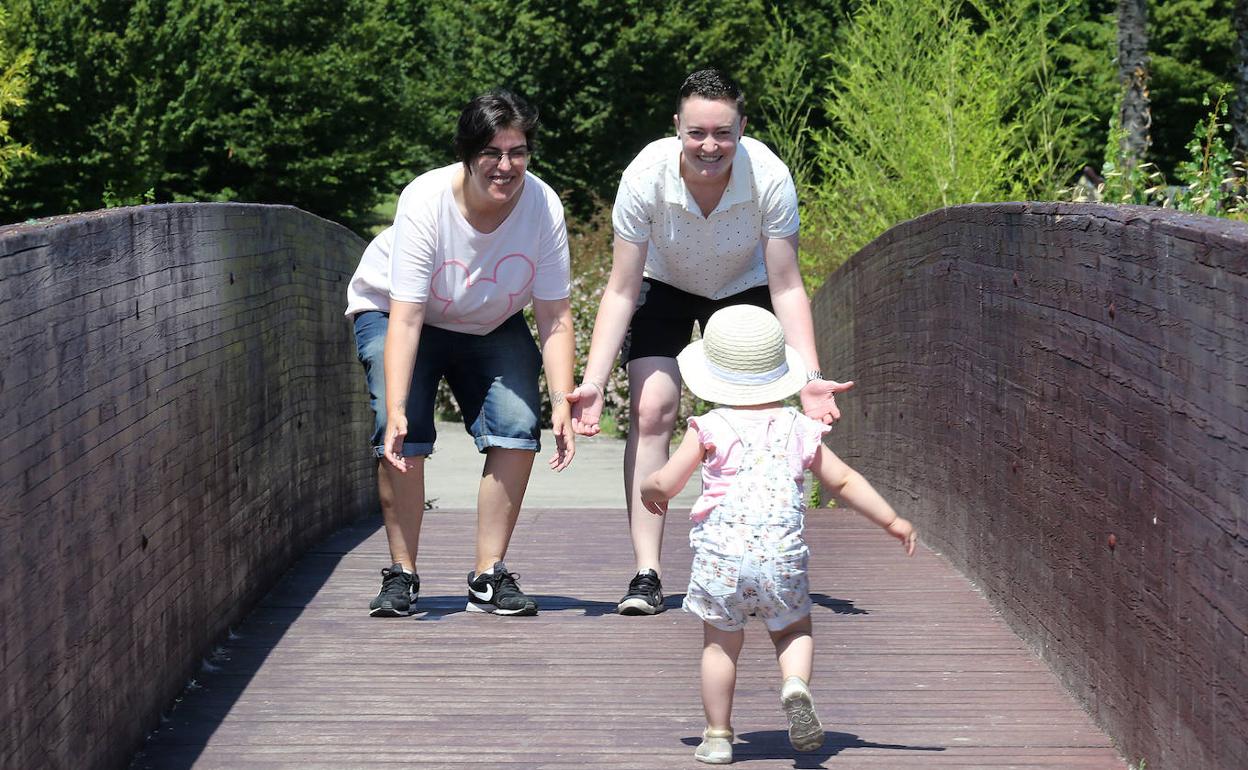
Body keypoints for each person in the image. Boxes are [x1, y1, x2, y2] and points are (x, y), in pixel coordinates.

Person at [567, 68, 854, 615]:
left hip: (744, 289)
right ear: (677, 127)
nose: (709, 145)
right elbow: (622, 288)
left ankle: (753, 559)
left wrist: (810, 381)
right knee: (653, 407)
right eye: (697, 132)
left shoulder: (768, 175)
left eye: (723, 133)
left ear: (742, 128)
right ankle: (646, 572)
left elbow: (788, 285)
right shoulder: (644, 177)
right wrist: (594, 382)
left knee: (756, 417)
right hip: (665, 284)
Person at [639, 304, 917, 764]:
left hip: (722, 560)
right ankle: (794, 683)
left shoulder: (708, 427)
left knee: (720, 645)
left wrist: (650, 486)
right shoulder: (800, 427)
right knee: (793, 630)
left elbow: (666, 483)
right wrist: (892, 520)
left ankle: (718, 736)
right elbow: (843, 480)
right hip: (781, 556)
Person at [345, 88, 575, 618]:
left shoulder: (543, 206)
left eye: (517, 152)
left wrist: (564, 398)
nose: (505, 165)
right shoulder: (426, 199)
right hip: (398, 313)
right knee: (400, 427)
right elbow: (404, 316)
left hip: (490, 319)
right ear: (468, 156)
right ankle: (402, 574)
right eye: (492, 153)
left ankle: (488, 575)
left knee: (519, 422)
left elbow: (555, 314)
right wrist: (398, 403)